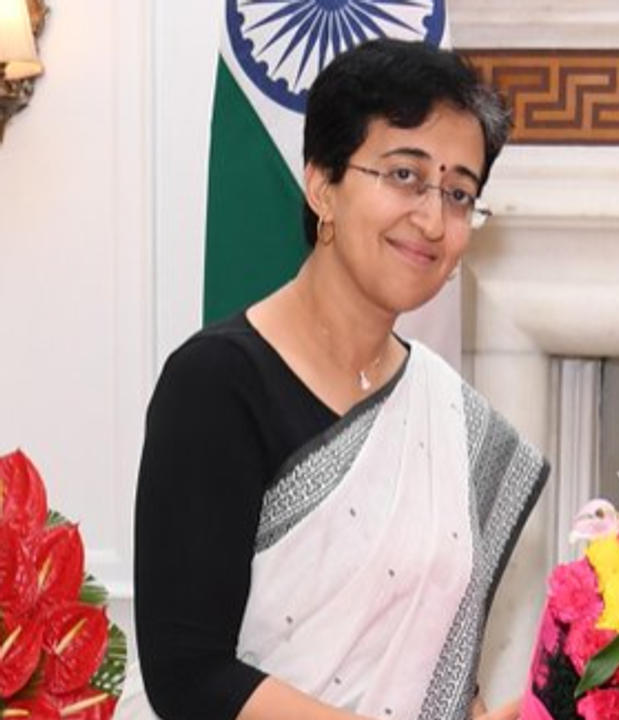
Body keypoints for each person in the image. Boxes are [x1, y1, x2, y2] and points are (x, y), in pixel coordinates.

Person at [126, 40, 547, 720]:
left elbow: (441, 685)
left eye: (460, 193)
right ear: (323, 185)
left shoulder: (448, 414)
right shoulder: (216, 385)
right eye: (405, 175)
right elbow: (189, 675)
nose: (433, 220)